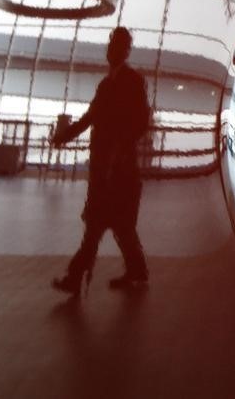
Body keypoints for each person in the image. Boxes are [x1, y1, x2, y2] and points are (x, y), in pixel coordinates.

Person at [51, 26, 150, 295]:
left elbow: (141, 120)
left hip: (118, 170)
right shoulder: (107, 84)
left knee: (99, 227)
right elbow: (89, 117)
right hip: (106, 169)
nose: (111, 50)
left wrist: (120, 147)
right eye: (110, 44)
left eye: (116, 45)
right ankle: (136, 271)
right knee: (118, 227)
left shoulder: (132, 82)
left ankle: (75, 278)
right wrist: (65, 136)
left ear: (125, 50)